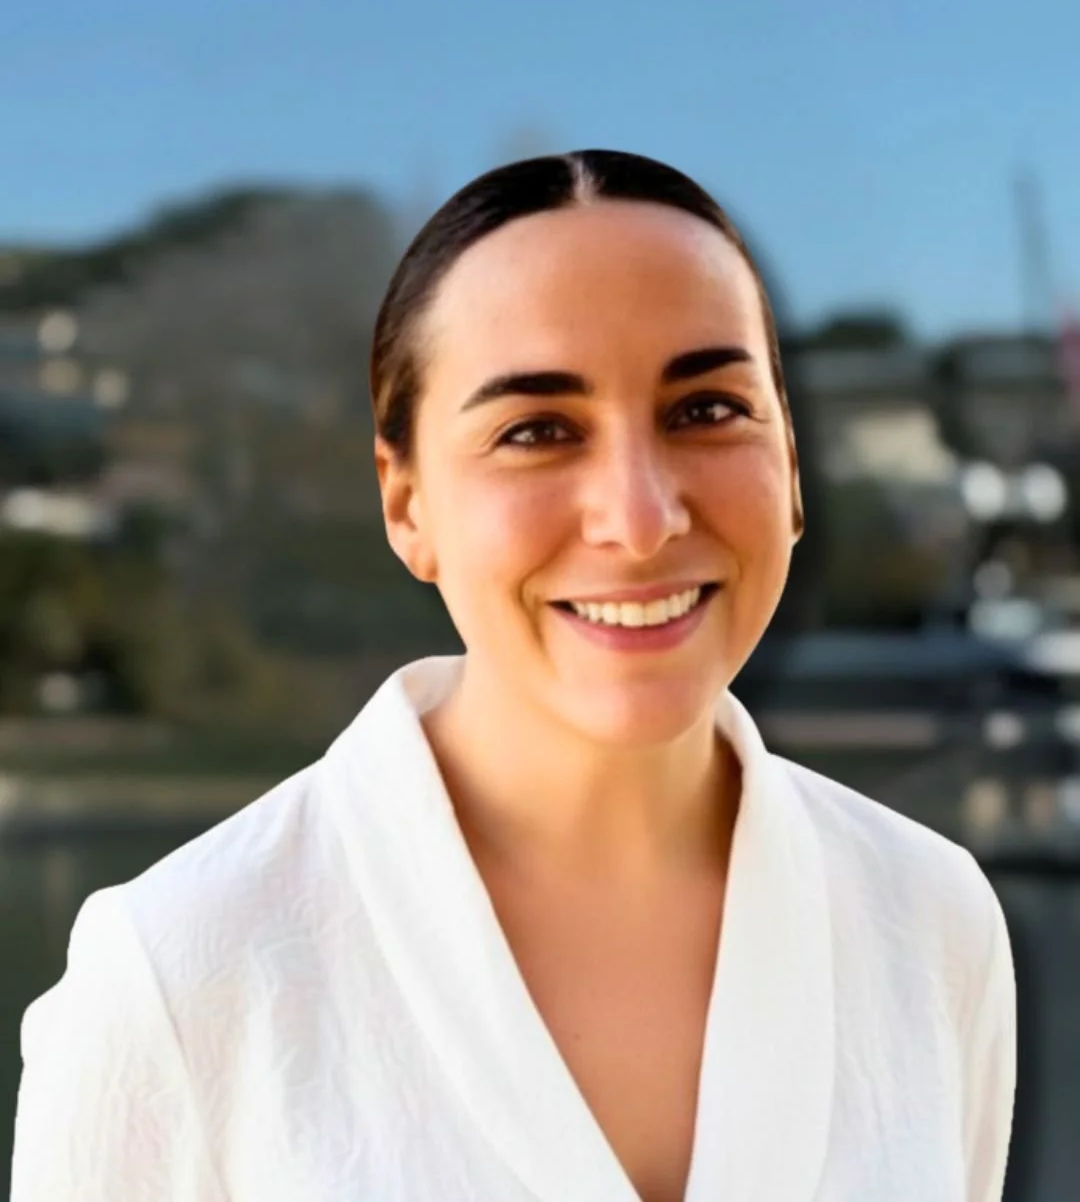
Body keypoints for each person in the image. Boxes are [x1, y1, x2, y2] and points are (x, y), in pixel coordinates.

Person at [11, 150, 1016, 1202]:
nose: (638, 520)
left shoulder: (932, 920)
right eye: (536, 431)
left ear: (794, 466)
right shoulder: (178, 980)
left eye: (707, 410)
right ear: (407, 505)